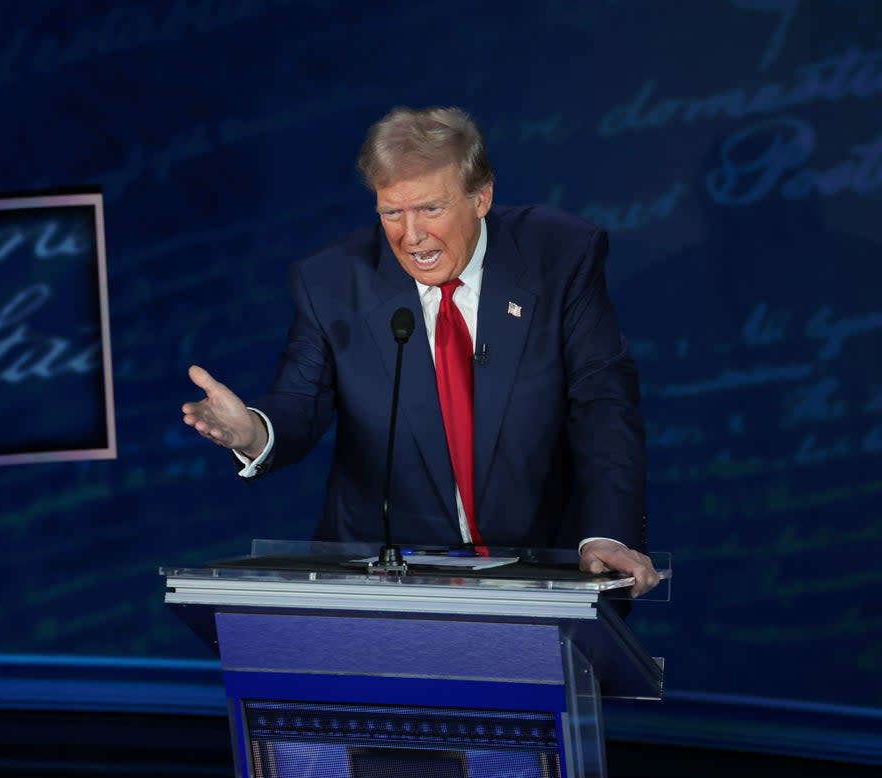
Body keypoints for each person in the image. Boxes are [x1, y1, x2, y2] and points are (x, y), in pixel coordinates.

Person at [182, 106, 659, 597]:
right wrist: (253, 432)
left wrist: (608, 532)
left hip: (543, 571)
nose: (411, 236)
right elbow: (300, 400)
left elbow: (604, 404)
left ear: (481, 198)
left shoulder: (560, 256)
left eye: (430, 209)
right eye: (392, 212)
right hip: (386, 583)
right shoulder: (333, 282)